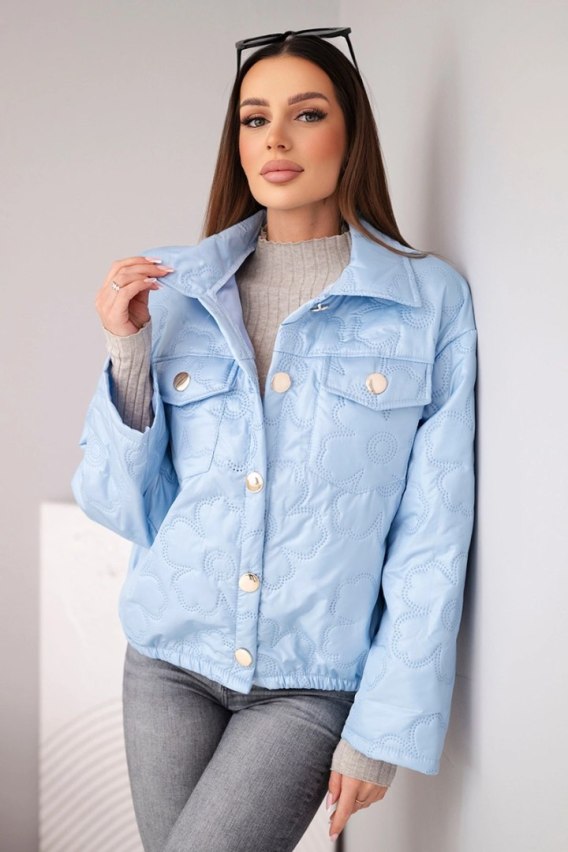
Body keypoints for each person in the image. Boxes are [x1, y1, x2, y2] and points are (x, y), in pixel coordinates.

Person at [72, 27, 477, 852]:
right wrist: (127, 352)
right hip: (166, 661)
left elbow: (433, 533)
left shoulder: (427, 301)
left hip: (310, 684)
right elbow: (119, 505)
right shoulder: (175, 290)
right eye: (254, 119)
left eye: (307, 113)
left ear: (351, 133)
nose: (276, 139)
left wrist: (384, 728)